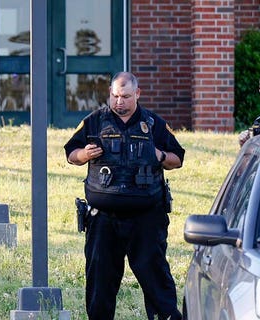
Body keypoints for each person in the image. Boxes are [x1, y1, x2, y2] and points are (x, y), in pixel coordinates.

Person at [64, 72, 185, 320]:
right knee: (100, 282)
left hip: (146, 217)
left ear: (137, 94)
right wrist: (84, 154)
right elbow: (70, 154)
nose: (119, 102)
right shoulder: (95, 121)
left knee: (156, 279)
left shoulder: (153, 123)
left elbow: (177, 159)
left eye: (125, 96)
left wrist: (159, 156)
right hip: (103, 218)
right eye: (115, 96)